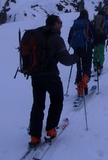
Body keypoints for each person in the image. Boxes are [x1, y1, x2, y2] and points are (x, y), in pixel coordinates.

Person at [29, 15, 78, 146]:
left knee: (38, 104)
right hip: (50, 75)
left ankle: (34, 136)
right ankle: (50, 129)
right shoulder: (56, 38)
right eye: (60, 22)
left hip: (35, 75)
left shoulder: (37, 35)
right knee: (57, 100)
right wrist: (77, 57)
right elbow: (66, 60)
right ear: (55, 24)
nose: (61, 25)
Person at [68, 9, 94, 97]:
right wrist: (91, 45)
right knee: (87, 66)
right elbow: (94, 36)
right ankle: (85, 81)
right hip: (87, 49)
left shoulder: (74, 25)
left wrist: (75, 47)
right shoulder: (88, 24)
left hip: (77, 50)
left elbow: (69, 39)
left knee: (79, 67)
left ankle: (79, 88)